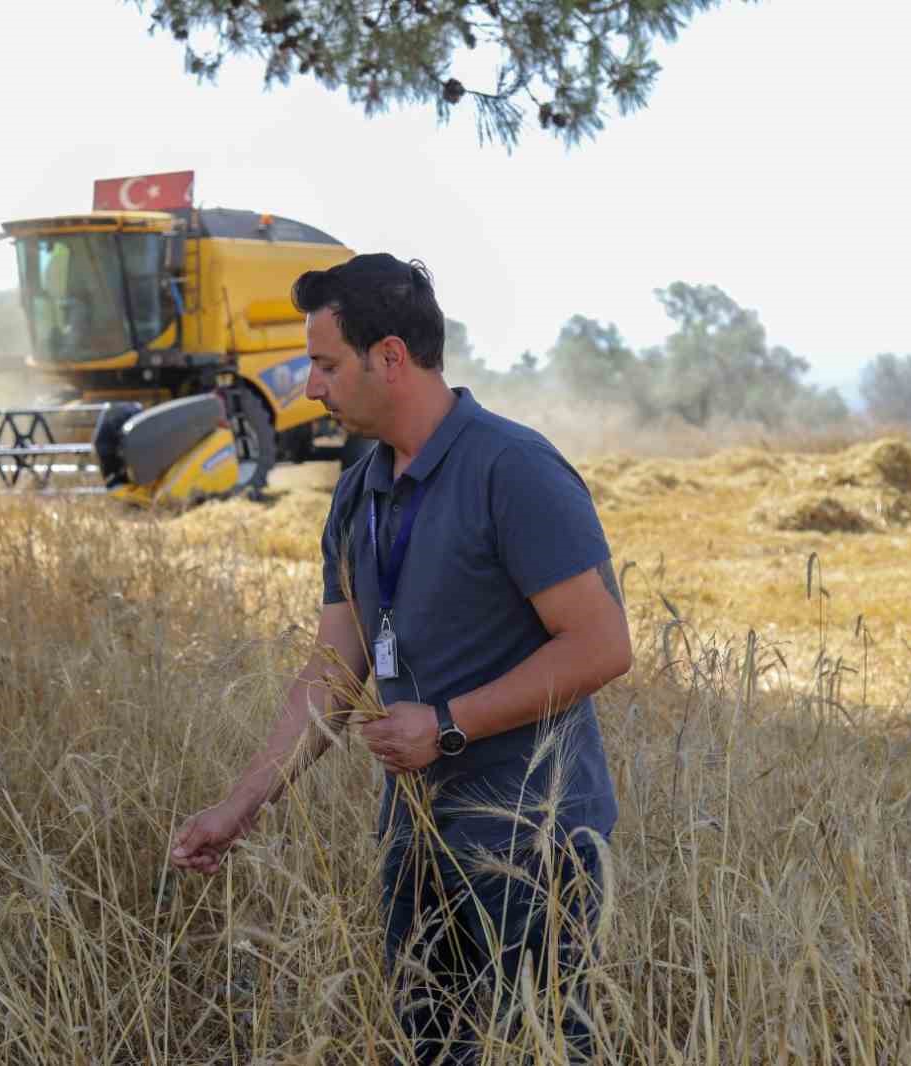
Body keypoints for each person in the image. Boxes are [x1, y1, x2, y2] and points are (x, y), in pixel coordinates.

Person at [170, 253, 631, 1064]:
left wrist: (448, 726)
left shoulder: (512, 469)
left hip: (533, 843)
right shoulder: (358, 493)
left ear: (390, 356)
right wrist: (237, 809)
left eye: (325, 363)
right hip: (415, 840)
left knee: (537, 1048)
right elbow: (331, 673)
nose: (312, 386)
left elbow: (602, 645)